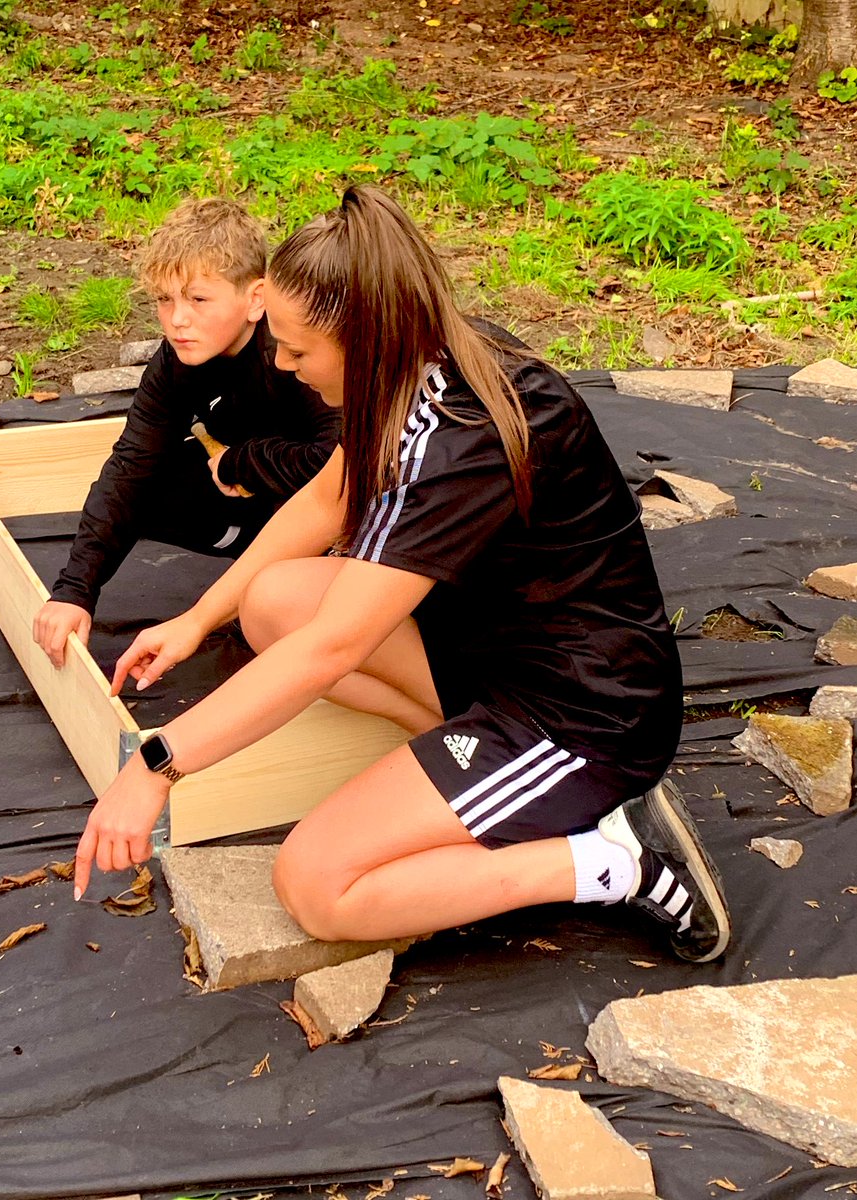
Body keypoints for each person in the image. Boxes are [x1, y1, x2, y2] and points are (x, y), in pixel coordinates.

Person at [71, 186, 732, 965]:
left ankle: (611, 862)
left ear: (366, 333)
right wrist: (197, 617)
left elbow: (331, 649)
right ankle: (486, 787)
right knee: (271, 600)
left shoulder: (458, 441)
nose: (281, 366)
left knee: (317, 885)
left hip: (580, 713)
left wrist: (159, 763)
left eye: (297, 351)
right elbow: (326, 497)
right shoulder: (422, 358)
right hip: (497, 650)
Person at [33, 197, 342, 668]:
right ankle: (243, 563)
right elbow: (131, 464)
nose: (178, 320)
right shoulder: (174, 362)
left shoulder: (296, 352)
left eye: (198, 299)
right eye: (164, 299)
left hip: (326, 521)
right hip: (247, 505)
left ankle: (272, 592)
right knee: (145, 480)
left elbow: (341, 468)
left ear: (255, 299)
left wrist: (246, 460)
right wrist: (74, 591)